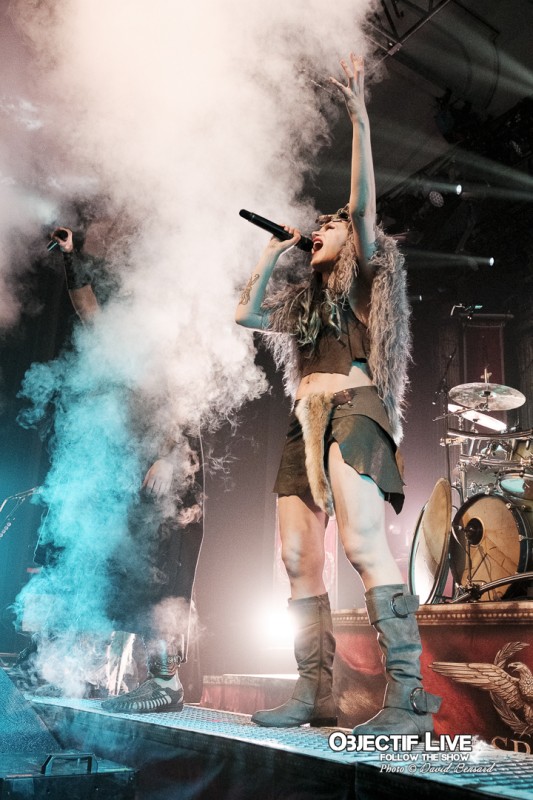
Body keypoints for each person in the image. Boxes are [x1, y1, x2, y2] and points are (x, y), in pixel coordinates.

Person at [235, 54, 441, 736]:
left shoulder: (365, 280)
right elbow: (246, 314)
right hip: (304, 421)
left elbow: (361, 206)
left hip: (353, 413)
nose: (320, 229)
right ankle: (313, 692)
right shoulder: (303, 303)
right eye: (317, 225)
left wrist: (358, 118)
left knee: (360, 542)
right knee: (297, 557)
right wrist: (273, 253)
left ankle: (407, 697)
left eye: (331, 225)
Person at [41, 222, 204, 714]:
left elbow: (190, 399)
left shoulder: (174, 333)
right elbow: (88, 310)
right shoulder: (127, 339)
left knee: (164, 573)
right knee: (126, 569)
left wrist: (168, 457)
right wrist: (70, 257)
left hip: (173, 467)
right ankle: (95, 674)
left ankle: (166, 683)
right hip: (136, 469)